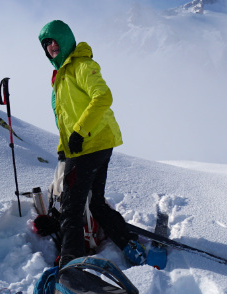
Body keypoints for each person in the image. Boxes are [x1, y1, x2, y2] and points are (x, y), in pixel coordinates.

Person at [38, 20, 146, 268]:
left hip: (90, 144)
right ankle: (129, 243)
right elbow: (66, 117)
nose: (52, 46)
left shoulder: (82, 65)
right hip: (92, 144)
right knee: (95, 202)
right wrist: (64, 148)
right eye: (47, 44)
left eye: (55, 40)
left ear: (65, 41)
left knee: (71, 208)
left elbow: (103, 96)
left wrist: (79, 132)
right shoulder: (61, 75)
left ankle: (71, 264)